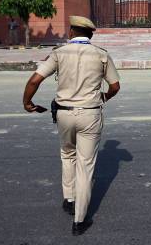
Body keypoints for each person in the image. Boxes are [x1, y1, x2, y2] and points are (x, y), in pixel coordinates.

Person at [22, 16, 121, 236]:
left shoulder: (58, 53)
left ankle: (69, 198)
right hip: (90, 114)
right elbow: (115, 86)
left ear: (72, 32)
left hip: (64, 113)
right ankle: (79, 220)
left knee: (67, 154)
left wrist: (27, 103)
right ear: (91, 34)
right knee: (85, 166)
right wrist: (102, 97)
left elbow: (34, 81)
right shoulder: (101, 54)